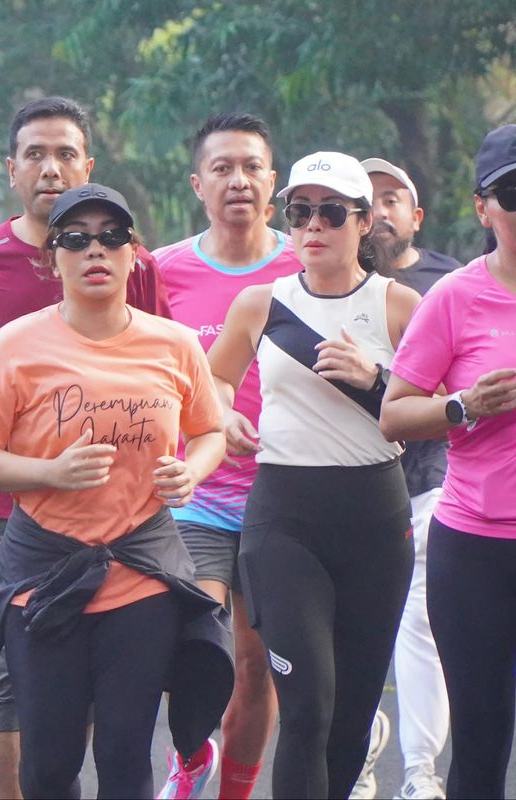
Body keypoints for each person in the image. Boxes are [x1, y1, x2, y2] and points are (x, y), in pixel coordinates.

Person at [0, 96, 172, 799]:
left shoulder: (135, 264)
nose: (51, 167)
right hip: (7, 500)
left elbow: (165, 365)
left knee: (100, 668)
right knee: (20, 665)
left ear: (87, 164)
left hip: (121, 510)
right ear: (11, 170)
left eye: (65, 153)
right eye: (35, 153)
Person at [0, 183, 227, 797]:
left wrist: (192, 471)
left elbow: (210, 433)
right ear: (54, 259)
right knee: (50, 761)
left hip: (140, 573)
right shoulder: (17, 344)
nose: (94, 250)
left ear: (134, 254)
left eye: (111, 237)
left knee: (126, 756)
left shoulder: (174, 344)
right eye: (75, 239)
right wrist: (50, 472)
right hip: (45, 575)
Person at [206, 151, 421, 798]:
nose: (313, 226)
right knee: (308, 706)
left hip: (377, 523)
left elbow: (438, 412)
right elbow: (211, 378)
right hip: (284, 520)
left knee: (352, 717)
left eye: (330, 212)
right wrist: (223, 418)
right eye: (300, 212)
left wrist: (374, 380)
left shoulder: (401, 306)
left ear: (363, 223)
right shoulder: (260, 303)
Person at [151, 112, 300, 799]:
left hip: (288, 500)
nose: (238, 181)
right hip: (198, 496)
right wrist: (212, 417)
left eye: (251, 167)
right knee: (194, 643)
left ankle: (234, 792)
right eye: (222, 168)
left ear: (272, 181)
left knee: (255, 664)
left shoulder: (305, 264)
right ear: (197, 184)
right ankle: (190, 754)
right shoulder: (162, 271)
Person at [379, 123, 516, 799]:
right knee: (483, 742)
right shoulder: (455, 298)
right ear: (482, 208)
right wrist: (464, 404)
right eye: (514, 191)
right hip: (478, 548)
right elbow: (395, 414)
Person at [350, 157, 460, 800]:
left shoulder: (449, 283)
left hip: (430, 481)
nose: (382, 210)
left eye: (394, 199)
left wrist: (377, 379)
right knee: (354, 629)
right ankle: (360, 757)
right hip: (346, 485)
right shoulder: (321, 281)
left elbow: (459, 394)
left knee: (419, 624)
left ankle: (421, 773)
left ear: (415, 216)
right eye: (370, 200)